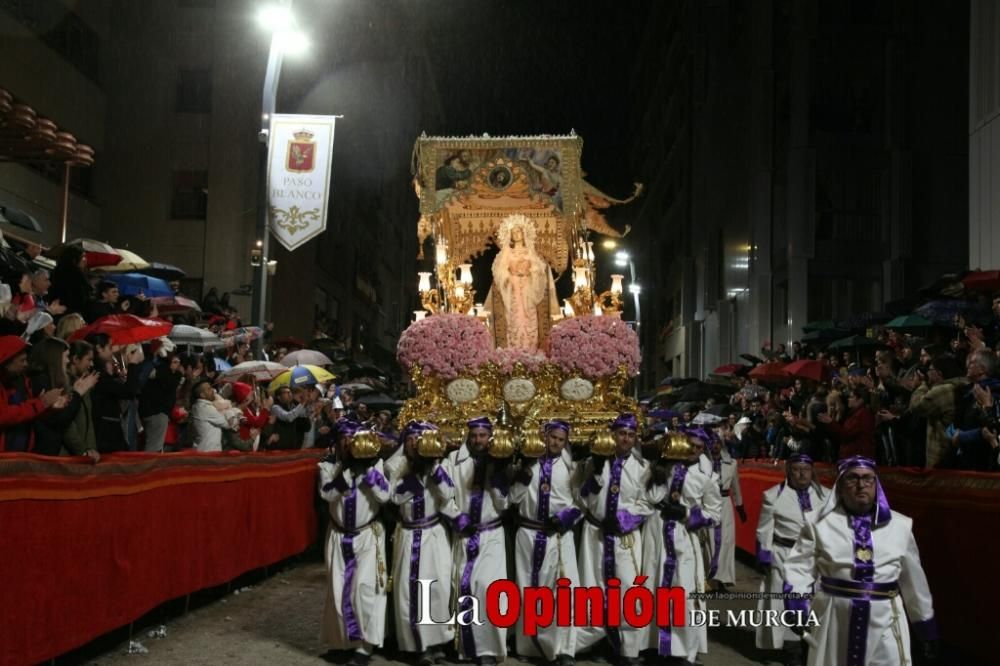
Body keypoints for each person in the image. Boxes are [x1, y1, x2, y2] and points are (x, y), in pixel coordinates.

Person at [782, 457, 939, 666]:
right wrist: (797, 607)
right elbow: (799, 567)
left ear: (876, 484)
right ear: (840, 484)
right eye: (852, 479)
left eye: (868, 479)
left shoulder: (900, 526)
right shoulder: (818, 523)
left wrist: (925, 627)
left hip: (886, 621)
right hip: (833, 619)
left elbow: (913, 581)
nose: (860, 485)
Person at [575, 413, 652, 666]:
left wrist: (624, 520)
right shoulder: (593, 463)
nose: (626, 439)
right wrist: (595, 474)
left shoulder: (643, 468)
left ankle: (629, 649)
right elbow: (582, 499)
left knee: (629, 588)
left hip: (624, 538)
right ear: (613, 435)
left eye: (630, 435)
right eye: (621, 434)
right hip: (595, 534)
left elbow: (646, 503)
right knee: (593, 587)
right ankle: (593, 642)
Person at [641, 429, 720, 665]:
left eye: (698, 447)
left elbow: (714, 514)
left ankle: (683, 649)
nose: (693, 450)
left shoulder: (707, 477)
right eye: (690, 445)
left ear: (703, 449)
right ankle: (653, 644)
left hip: (684, 537)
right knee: (652, 585)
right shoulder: (665, 466)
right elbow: (648, 496)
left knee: (683, 593)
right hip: (656, 533)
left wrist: (687, 514)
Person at [509, 420, 581, 666]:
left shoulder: (572, 468)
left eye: (561, 440)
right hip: (528, 534)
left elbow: (582, 502)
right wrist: (523, 475)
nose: (556, 443)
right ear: (544, 436)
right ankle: (527, 645)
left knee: (565, 590)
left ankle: (563, 648)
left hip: (559, 536)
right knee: (526, 588)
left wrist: (566, 518)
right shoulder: (528, 463)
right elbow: (513, 499)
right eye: (553, 438)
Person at [318, 421, 390, 666]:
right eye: (344, 439)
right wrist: (348, 472)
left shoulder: (375, 464)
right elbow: (327, 494)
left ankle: (365, 646)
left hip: (367, 537)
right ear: (337, 442)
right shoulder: (328, 466)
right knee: (338, 593)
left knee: (364, 589)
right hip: (338, 537)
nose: (348, 443)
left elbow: (384, 496)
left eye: (352, 438)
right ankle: (342, 643)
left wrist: (367, 471)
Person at [442, 416, 511, 666]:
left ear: (490, 437)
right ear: (468, 436)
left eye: (483, 435)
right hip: (464, 534)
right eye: (474, 436)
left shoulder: (499, 462)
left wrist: (499, 475)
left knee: (488, 587)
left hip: (491, 535)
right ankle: (465, 647)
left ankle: (489, 649)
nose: (478, 440)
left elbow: (504, 503)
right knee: (463, 586)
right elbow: (445, 496)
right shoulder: (453, 461)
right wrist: (456, 517)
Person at [389, 421, 455, 666]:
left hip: (434, 535)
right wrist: (417, 475)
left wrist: (433, 469)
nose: (416, 445)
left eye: (420, 440)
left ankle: (437, 642)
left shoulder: (440, 465)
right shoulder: (396, 465)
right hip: (408, 534)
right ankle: (417, 645)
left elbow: (448, 494)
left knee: (437, 587)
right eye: (411, 440)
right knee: (409, 590)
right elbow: (394, 496)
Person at [755, 454, 828, 666]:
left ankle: (812, 646)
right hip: (784, 555)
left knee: (814, 602)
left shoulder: (827, 496)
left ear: (812, 471)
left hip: (815, 558)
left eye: (806, 469)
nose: (802, 473)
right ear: (789, 471)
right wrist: (764, 555)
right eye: (796, 469)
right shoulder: (773, 496)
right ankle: (791, 649)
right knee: (784, 603)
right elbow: (764, 528)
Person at [485, 214, 559, 350]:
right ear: (510, 235)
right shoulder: (507, 251)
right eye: (513, 232)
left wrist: (532, 271)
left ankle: (531, 348)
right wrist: (509, 276)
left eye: (519, 231)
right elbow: (499, 270)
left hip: (528, 288)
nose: (517, 234)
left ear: (524, 233)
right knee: (514, 317)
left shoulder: (530, 251)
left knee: (530, 315)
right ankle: (514, 349)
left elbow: (539, 269)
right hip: (512, 289)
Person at [28, 337, 98, 456]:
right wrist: (77, 394)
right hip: (46, 455)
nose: (67, 361)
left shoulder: (51, 380)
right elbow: (60, 420)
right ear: (54, 358)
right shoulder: (41, 382)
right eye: (65, 356)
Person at [0, 335, 66, 451]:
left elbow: (27, 412)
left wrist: (48, 408)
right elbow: (4, 415)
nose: (26, 364)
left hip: (21, 454)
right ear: (6, 361)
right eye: (22, 360)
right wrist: (42, 403)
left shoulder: (21, 380)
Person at [706, 428, 746, 592]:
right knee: (709, 542)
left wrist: (740, 506)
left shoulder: (731, 463)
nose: (715, 446)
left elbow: (736, 486)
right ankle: (709, 579)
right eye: (712, 443)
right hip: (708, 504)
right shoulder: (703, 464)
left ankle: (723, 578)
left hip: (725, 503)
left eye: (717, 443)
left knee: (726, 541)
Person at [63, 340, 100, 462]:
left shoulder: (84, 383)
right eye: (88, 359)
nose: (91, 364)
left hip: (84, 455)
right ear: (75, 359)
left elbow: (88, 421)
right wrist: (82, 451)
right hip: (68, 457)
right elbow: (67, 424)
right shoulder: (64, 384)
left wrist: (91, 449)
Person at [817, 386, 875, 460]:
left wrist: (831, 422)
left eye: (851, 397)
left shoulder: (862, 414)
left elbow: (847, 434)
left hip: (857, 457)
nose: (848, 399)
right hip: (853, 456)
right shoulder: (855, 413)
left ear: (860, 400)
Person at [189, 380, 236, 452]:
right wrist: (229, 410)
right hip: (209, 451)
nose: (213, 390)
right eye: (209, 389)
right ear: (202, 395)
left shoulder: (197, 406)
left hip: (203, 449)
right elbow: (228, 424)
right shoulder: (206, 408)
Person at [48, 246, 92, 318]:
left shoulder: (56, 272)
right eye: (83, 257)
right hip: (72, 315)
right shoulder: (76, 275)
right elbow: (80, 298)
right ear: (74, 260)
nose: (85, 260)